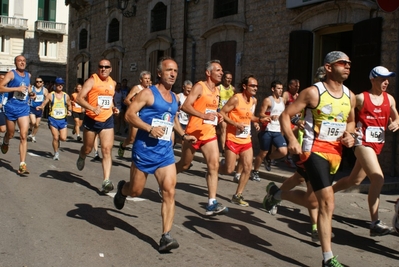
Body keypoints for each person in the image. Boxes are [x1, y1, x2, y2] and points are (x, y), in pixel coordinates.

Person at [266, 51, 356, 267]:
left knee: (314, 201)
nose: (347, 66)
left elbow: (351, 121)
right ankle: (328, 259)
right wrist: (291, 140)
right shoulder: (314, 93)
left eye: (349, 64)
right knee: (327, 202)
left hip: (335, 153)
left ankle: (277, 194)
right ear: (328, 67)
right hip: (313, 151)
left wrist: (349, 135)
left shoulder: (350, 96)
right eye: (342, 63)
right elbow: (286, 115)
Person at [113, 57, 196, 252]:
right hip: (144, 150)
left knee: (169, 191)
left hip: (165, 153)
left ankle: (165, 236)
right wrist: (149, 128)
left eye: (175, 70)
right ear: (159, 73)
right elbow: (129, 115)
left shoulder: (175, 98)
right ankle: (122, 190)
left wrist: (183, 135)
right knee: (136, 190)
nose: (173, 74)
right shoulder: (148, 94)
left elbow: (172, 118)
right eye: (169, 70)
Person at [332, 66, 399, 236]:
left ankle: (326, 193)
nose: (386, 82)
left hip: (376, 145)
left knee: (354, 180)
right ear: (373, 80)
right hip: (362, 143)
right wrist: (349, 130)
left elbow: (396, 116)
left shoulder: (389, 99)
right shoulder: (361, 98)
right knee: (378, 178)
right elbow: (346, 114)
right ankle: (375, 223)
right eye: (383, 79)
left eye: (388, 79)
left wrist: (396, 122)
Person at [175, 59, 228, 216]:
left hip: (209, 134)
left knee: (214, 165)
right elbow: (185, 106)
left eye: (221, 70)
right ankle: (166, 178)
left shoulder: (217, 91)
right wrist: (203, 115)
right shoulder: (200, 86)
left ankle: (212, 203)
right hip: (193, 133)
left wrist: (217, 115)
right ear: (208, 72)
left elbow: (210, 109)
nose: (221, 73)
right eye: (218, 70)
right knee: (184, 165)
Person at [219, 75, 263, 206]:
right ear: (245, 86)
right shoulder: (236, 99)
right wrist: (235, 124)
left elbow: (250, 115)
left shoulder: (253, 101)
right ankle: (214, 169)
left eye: (256, 86)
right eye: (253, 86)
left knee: (248, 167)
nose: (256, 88)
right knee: (228, 169)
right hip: (233, 138)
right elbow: (222, 113)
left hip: (246, 140)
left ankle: (237, 195)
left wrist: (258, 120)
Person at [75, 59, 118, 193]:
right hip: (92, 119)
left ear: (111, 69)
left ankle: (106, 180)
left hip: (107, 120)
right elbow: (79, 98)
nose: (103, 69)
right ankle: (82, 155)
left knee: (106, 150)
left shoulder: (112, 83)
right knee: (88, 148)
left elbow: (109, 101)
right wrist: (92, 108)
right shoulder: (92, 80)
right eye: (101, 67)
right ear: (98, 68)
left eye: (106, 67)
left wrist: (114, 108)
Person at [0, 55, 31, 174]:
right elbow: (0, 88)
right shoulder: (11, 74)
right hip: (11, 108)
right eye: (19, 61)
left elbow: (27, 88)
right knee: (11, 133)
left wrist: (31, 93)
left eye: (24, 61)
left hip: (23, 108)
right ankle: (6, 141)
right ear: (15, 63)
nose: (22, 63)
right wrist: (16, 89)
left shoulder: (28, 75)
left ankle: (22, 164)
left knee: (23, 135)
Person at [251, 80, 288, 181]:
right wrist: (271, 116)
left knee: (283, 151)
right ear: (273, 89)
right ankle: (255, 171)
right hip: (267, 129)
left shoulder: (282, 101)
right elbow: (261, 114)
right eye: (278, 88)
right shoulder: (268, 100)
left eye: (281, 88)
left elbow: (284, 114)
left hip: (277, 130)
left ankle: (269, 158)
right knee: (263, 152)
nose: (280, 90)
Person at [117, 71, 151, 158]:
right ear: (140, 80)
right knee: (132, 139)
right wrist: (135, 107)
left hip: (146, 117)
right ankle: (123, 145)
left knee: (145, 138)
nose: (147, 80)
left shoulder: (151, 89)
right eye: (145, 78)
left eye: (148, 79)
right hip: (135, 115)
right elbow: (126, 100)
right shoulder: (137, 88)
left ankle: (138, 156)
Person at [37, 77, 72, 160]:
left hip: (63, 119)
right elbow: (44, 103)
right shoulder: (51, 95)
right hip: (53, 119)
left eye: (61, 84)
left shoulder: (65, 96)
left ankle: (57, 142)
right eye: (58, 84)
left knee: (63, 138)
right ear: (55, 85)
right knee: (55, 137)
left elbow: (69, 104)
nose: (60, 86)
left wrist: (70, 111)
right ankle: (56, 153)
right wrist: (41, 107)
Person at [282, 79, 300, 168]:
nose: (297, 88)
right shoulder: (286, 94)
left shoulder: (298, 96)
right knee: (281, 134)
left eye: (298, 87)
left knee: (297, 133)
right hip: (286, 118)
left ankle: (289, 156)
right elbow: (282, 106)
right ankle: (272, 157)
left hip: (295, 119)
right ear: (290, 86)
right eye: (295, 86)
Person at [217, 71, 235, 154]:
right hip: (221, 111)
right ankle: (224, 149)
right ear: (223, 79)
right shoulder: (219, 88)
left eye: (230, 78)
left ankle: (229, 146)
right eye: (227, 78)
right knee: (223, 129)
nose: (229, 80)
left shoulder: (233, 89)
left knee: (228, 130)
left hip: (230, 113)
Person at [27, 77, 48, 143]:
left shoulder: (44, 90)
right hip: (32, 107)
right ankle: (30, 129)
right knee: (33, 122)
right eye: (37, 81)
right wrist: (32, 96)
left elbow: (47, 99)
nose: (38, 83)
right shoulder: (32, 88)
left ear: (42, 82)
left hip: (39, 109)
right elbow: (28, 95)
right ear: (35, 82)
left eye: (40, 81)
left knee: (37, 124)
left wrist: (43, 106)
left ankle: (32, 135)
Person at [175, 80, 192, 145]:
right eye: (188, 88)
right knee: (181, 138)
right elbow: (174, 106)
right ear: (183, 87)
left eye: (190, 88)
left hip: (188, 121)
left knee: (184, 139)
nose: (189, 90)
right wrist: (176, 111)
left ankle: (183, 153)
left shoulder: (191, 98)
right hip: (180, 121)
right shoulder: (179, 96)